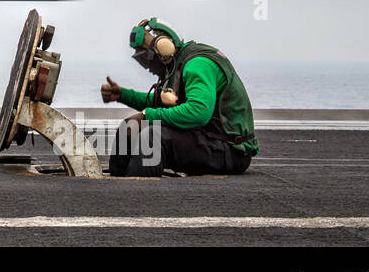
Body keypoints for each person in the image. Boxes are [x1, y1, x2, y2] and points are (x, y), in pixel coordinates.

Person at [100, 18, 258, 176]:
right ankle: (119, 182)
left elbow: (199, 111)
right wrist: (122, 94)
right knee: (129, 127)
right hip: (210, 140)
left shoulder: (197, 65)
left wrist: (147, 115)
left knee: (153, 138)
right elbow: (158, 101)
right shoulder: (179, 65)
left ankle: (141, 192)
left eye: (146, 58)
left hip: (231, 150)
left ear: (163, 50)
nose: (147, 67)